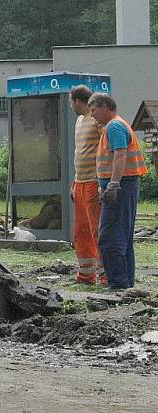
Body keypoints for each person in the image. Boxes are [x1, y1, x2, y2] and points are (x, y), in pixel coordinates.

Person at [88, 93, 149, 290]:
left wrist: (113, 184)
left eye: (94, 109)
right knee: (123, 238)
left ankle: (118, 285)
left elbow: (120, 155)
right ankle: (126, 285)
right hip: (126, 185)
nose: (92, 114)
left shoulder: (114, 126)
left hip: (120, 187)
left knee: (110, 236)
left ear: (105, 106)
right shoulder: (116, 125)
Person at [69, 85, 106, 286]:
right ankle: (86, 275)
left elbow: (104, 148)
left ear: (76, 101)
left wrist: (103, 181)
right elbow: (79, 153)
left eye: (71, 102)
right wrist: (74, 180)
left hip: (93, 181)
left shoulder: (96, 121)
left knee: (97, 229)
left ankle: (105, 274)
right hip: (80, 182)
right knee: (81, 230)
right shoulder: (79, 121)